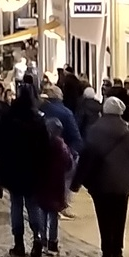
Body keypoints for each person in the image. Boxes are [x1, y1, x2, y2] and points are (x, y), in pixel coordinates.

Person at [71, 97, 129, 257]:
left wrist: (76, 183)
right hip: (122, 184)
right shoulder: (127, 133)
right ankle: (117, 251)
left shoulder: (94, 130)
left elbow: (86, 158)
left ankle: (106, 252)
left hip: (100, 184)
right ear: (120, 112)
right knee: (120, 217)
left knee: (104, 218)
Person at [0, 86, 51, 257]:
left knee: (16, 205)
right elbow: (45, 147)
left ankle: (18, 242)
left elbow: (0, 143)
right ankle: (38, 238)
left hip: (13, 168)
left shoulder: (9, 117)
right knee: (33, 205)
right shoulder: (37, 119)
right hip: (32, 169)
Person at [39, 86, 84, 221]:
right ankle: (62, 206)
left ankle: (46, 206)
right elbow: (75, 135)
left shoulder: (41, 110)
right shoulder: (66, 113)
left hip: (43, 152)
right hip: (62, 151)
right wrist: (74, 152)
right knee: (65, 180)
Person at [37, 115, 76, 257]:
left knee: (42, 212)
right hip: (56, 184)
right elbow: (69, 164)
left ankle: (42, 239)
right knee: (53, 214)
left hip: (43, 183)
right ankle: (53, 241)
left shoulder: (41, 144)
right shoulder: (62, 146)